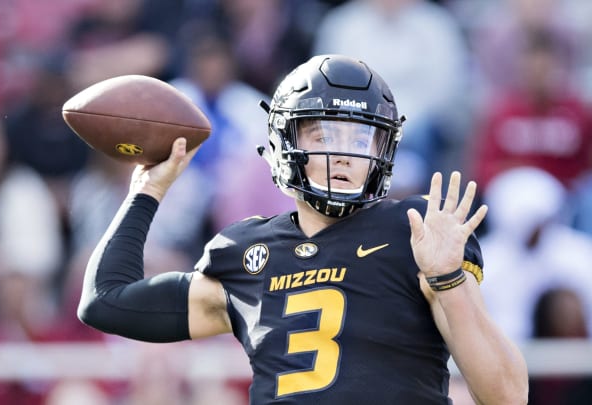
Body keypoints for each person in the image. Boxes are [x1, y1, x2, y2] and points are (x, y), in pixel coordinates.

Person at [76, 55, 527, 404]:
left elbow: (508, 396)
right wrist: (147, 190)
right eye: (324, 136)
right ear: (283, 145)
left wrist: (447, 280)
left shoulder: (415, 230)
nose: (345, 154)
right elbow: (106, 302)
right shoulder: (245, 251)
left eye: (360, 137)